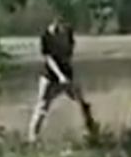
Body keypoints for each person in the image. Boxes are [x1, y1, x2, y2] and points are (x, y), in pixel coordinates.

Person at [27, 15, 99, 143]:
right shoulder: (46, 36)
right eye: (57, 25)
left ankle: (93, 132)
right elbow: (49, 59)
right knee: (42, 106)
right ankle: (32, 138)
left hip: (68, 76)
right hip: (49, 77)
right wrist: (60, 75)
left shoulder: (68, 32)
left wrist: (66, 72)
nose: (60, 28)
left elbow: (69, 52)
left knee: (82, 103)